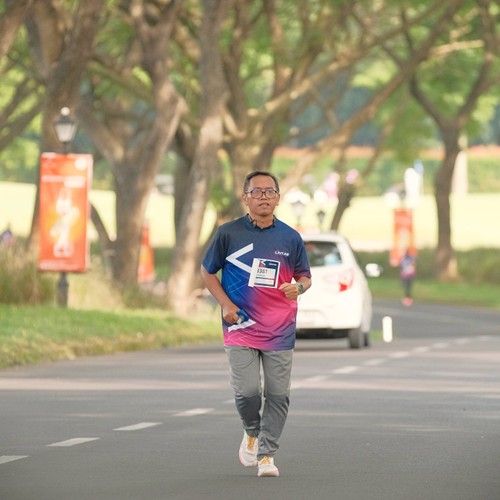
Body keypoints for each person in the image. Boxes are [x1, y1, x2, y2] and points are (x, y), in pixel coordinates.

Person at [201, 171, 312, 478]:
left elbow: (305, 276)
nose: (264, 197)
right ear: (245, 198)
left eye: (269, 192)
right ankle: (251, 431)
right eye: (257, 192)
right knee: (248, 391)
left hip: (280, 328)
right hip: (240, 325)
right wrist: (225, 304)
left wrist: (298, 288)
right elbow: (207, 272)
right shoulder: (228, 234)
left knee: (278, 395)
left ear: (278, 198)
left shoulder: (290, 237)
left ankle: (267, 455)